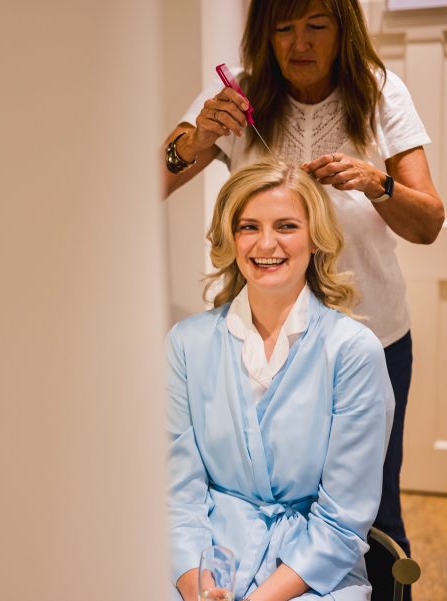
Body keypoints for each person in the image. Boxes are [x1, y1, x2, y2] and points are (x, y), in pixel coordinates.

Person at [162, 2, 443, 596]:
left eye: (316, 25)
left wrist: (378, 183)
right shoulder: (240, 96)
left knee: (373, 515)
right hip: (262, 331)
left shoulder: (379, 93)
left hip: (368, 336)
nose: (299, 43)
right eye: (283, 29)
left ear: (344, 27)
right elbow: (143, 181)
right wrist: (200, 136)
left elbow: (428, 223)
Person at [167, 159, 394, 601]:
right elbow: (178, 499)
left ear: (316, 238)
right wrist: (198, 588)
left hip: (312, 572)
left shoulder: (352, 352)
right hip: (205, 561)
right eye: (249, 227)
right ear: (231, 239)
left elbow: (342, 522)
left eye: (286, 226)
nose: (266, 243)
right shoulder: (186, 344)